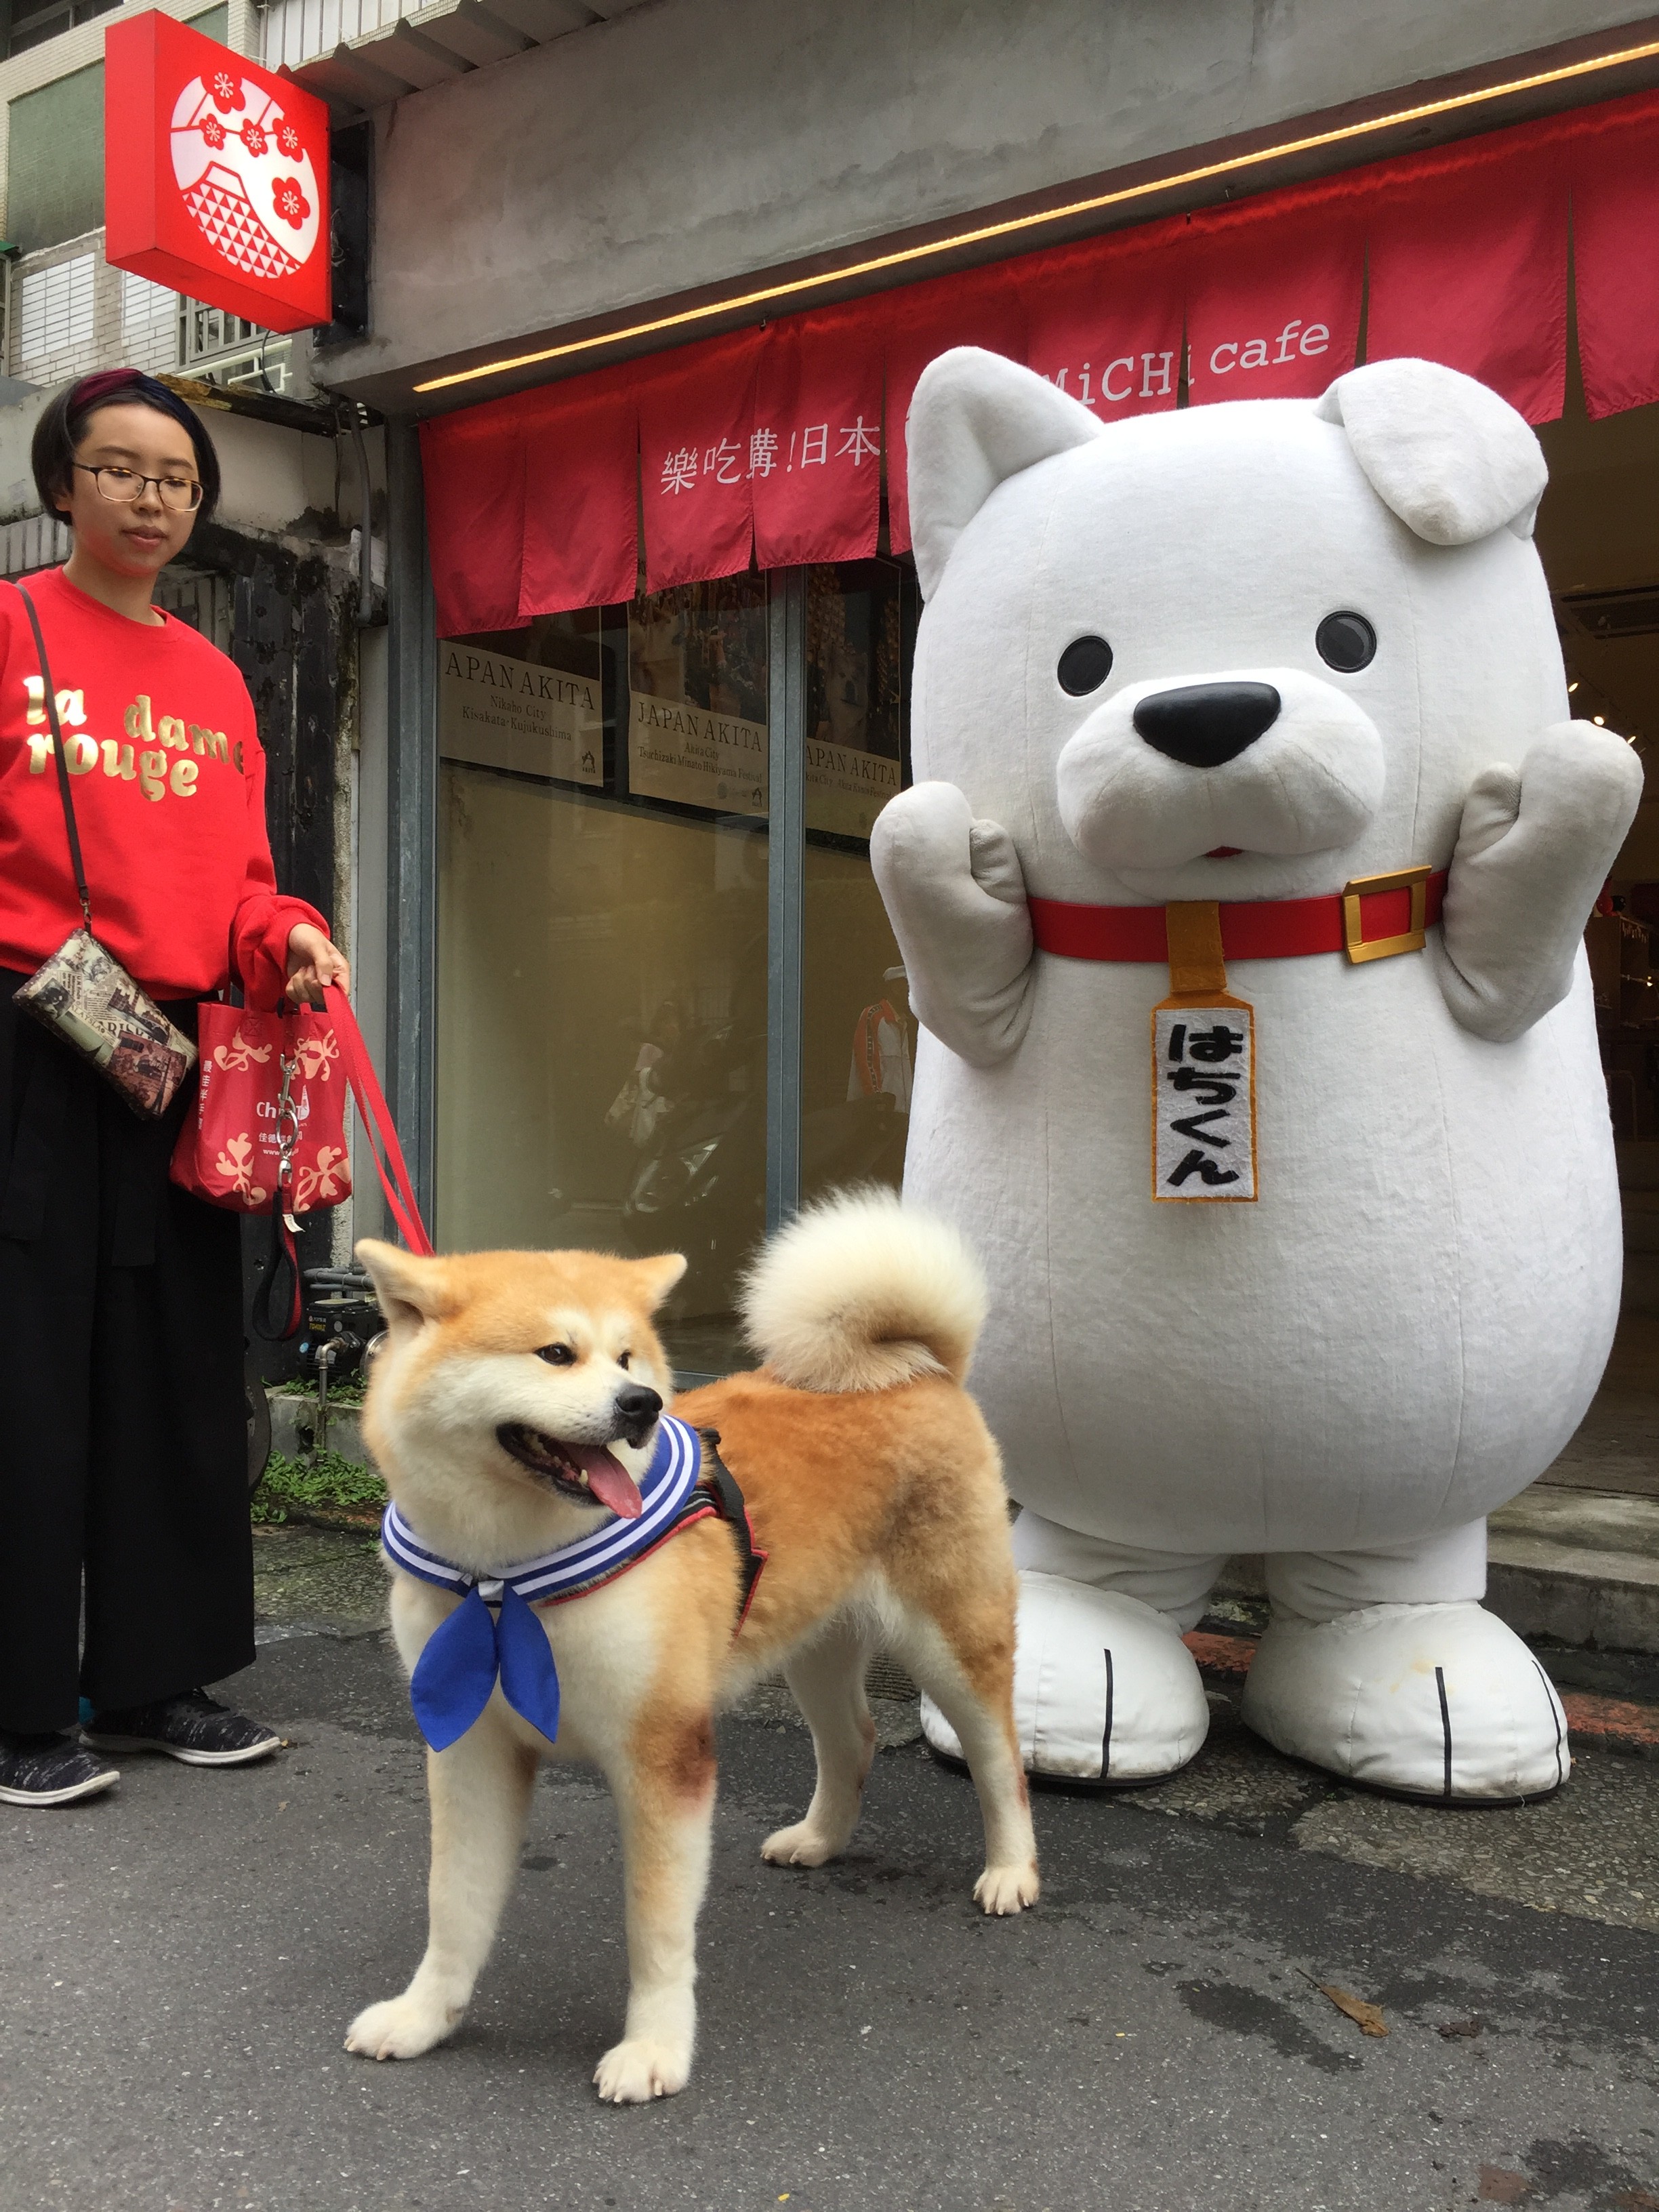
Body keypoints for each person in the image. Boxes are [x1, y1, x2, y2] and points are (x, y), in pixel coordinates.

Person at [0, 369, 349, 1807]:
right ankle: (22, 1707)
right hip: (33, 1036)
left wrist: (294, 936)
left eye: (177, 478)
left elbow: (244, 887)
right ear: (61, 484)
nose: (152, 498)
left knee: (179, 1378)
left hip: (181, 1058)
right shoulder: (10, 630)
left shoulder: (213, 680)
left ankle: (155, 1679)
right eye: (121, 470)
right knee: (27, 1378)